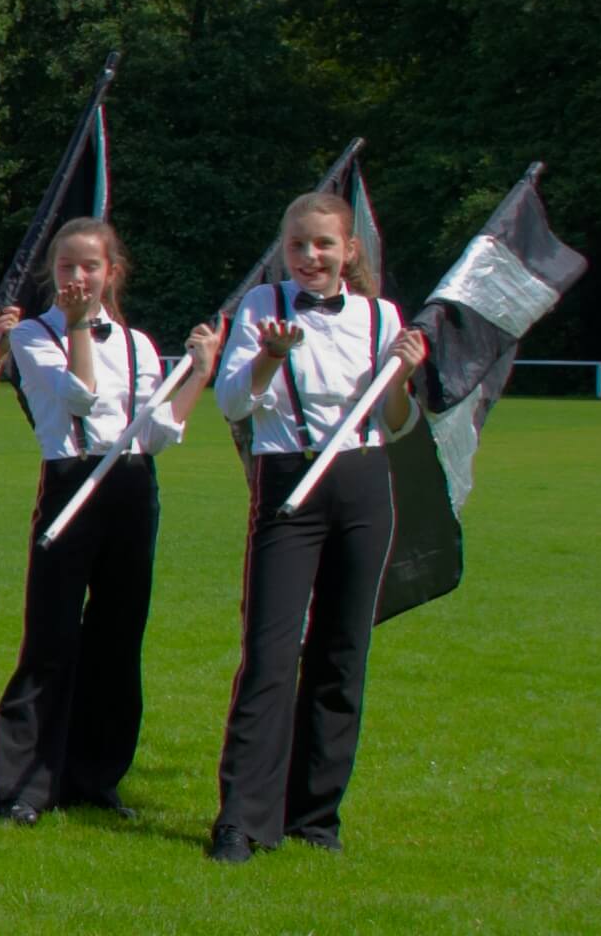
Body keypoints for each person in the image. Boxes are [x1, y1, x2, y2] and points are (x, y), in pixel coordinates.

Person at [205, 193, 425, 864]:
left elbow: (396, 422)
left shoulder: (380, 315)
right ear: (284, 250)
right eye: (298, 245)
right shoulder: (259, 308)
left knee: (342, 654)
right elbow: (233, 400)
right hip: (287, 483)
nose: (310, 256)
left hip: (361, 485)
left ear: (349, 251)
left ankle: (316, 818)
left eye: (323, 244)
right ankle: (241, 819)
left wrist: (402, 376)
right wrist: (269, 359)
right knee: (271, 655)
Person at [0, 218, 218, 824]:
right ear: (53, 274)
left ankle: (95, 777)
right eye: (67, 267)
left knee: (118, 641)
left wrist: (201, 372)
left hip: (133, 489)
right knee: (51, 639)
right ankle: (24, 787)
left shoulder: (140, 345)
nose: (78, 277)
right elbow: (81, 398)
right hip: (71, 482)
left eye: (90, 266)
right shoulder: (35, 338)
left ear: (112, 271)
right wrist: (80, 326)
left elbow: (162, 431)